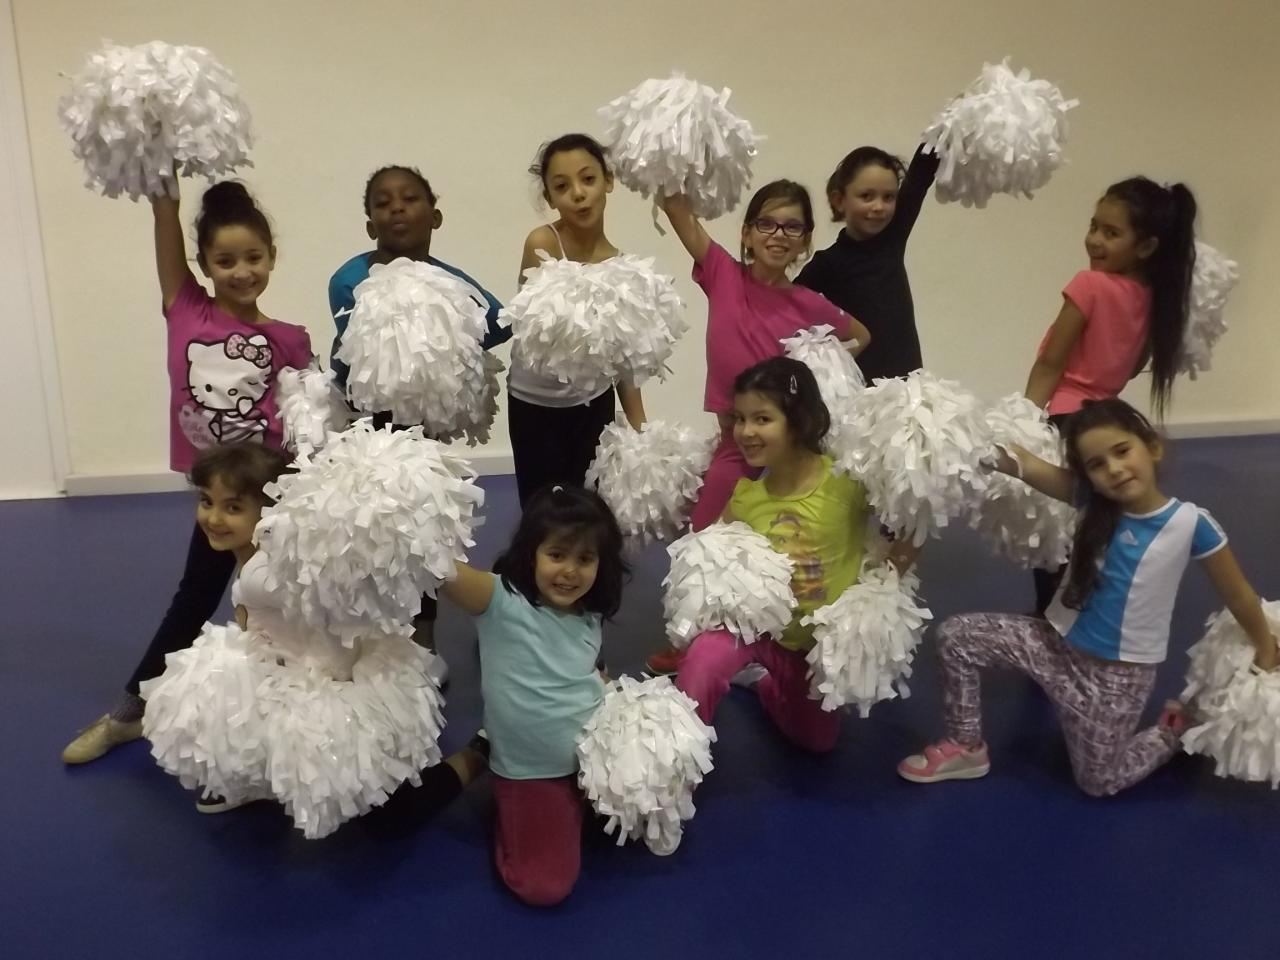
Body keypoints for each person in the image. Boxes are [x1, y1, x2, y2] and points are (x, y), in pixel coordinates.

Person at [898, 398, 1278, 795]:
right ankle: (966, 746)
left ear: (1153, 447)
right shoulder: (1091, 501)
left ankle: (1173, 730)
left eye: (1122, 451)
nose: (1113, 469)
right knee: (957, 636)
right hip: (1054, 646)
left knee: (1098, 781)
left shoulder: (1191, 523)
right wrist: (959, 443)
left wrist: (1265, 651)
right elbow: (1023, 464)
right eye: (1097, 464)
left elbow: (1239, 595)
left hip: (1116, 678)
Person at [62, 179, 313, 764]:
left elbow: (310, 416)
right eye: (225, 261)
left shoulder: (289, 338)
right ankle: (130, 711)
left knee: (281, 601)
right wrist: (162, 194)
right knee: (196, 596)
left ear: (272, 257)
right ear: (204, 264)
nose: (242, 271)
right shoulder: (186, 308)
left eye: (254, 258)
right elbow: (165, 230)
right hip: (221, 497)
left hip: (274, 495)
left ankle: (296, 711)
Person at [644, 181, 870, 676]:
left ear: (806, 240)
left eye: (792, 227)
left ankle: (772, 642)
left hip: (791, 453)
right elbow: (678, 209)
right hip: (735, 443)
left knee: (787, 547)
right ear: (747, 233)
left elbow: (861, 336)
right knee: (704, 539)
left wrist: (822, 369)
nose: (778, 234)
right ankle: (697, 643)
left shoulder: (810, 303)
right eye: (766, 223)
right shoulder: (723, 272)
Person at [675, 358, 915, 751]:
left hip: (810, 648)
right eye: (740, 418)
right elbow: (711, 564)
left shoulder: (846, 482)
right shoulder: (746, 498)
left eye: (762, 419)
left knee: (817, 743)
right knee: (703, 659)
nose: (746, 432)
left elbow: (912, 519)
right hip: (755, 632)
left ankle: (762, 682)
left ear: (798, 419)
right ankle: (678, 753)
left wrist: (886, 581)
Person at [327, 164, 511, 674]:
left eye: (409, 199)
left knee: (421, 533)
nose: (397, 209)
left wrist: (450, 349)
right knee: (367, 532)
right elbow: (351, 350)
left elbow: (496, 321)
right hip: (366, 430)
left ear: (435, 215)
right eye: (383, 203)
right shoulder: (349, 279)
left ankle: (424, 640)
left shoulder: (448, 281)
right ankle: (371, 635)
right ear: (370, 224)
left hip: (425, 438)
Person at [440, 485, 627, 906]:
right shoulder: (501, 600)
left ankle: (578, 806)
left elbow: (582, 671)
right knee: (543, 888)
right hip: (531, 771)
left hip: (592, 761)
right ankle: (511, 804)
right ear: (531, 554)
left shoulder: (588, 616)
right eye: (557, 555)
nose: (570, 572)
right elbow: (440, 568)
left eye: (585, 558)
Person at [1024, 176, 1198, 613]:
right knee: (1092, 519)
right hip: (1108, 417)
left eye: (1111, 232)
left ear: (1146, 247)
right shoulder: (1158, 299)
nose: (1095, 240)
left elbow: (1051, 363)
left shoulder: (1089, 285)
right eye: (1094, 226)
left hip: (1066, 417)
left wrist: (1022, 418)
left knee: (1053, 528)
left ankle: (1051, 618)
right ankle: (1085, 609)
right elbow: (1135, 364)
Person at [506, 134, 646, 507]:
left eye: (588, 179)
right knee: (543, 512)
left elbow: (623, 360)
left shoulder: (622, 266)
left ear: (609, 181)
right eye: (562, 186)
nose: (578, 194)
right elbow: (535, 334)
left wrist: (641, 433)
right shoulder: (543, 243)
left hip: (591, 404)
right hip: (534, 404)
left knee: (589, 509)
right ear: (550, 198)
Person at [797, 144, 939, 383]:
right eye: (866, 196)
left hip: (909, 395)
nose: (878, 207)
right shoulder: (826, 264)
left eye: (889, 197)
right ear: (839, 200)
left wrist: (954, 115)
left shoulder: (892, 238)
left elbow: (921, 173)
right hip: (859, 400)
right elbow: (783, 308)